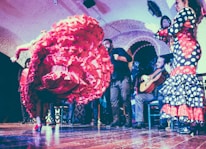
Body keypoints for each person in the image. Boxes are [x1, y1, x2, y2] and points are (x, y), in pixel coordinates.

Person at [11, 15, 113, 132]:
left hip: (48, 78)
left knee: (45, 101)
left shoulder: (51, 46)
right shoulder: (33, 46)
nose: (43, 35)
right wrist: (15, 56)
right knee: (39, 99)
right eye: (41, 35)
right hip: (37, 77)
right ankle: (40, 121)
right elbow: (19, 48)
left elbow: (62, 53)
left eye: (45, 34)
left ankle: (42, 119)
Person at [155, 0, 205, 135]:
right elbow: (175, 33)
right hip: (184, 49)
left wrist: (159, 32)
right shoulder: (186, 13)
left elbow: (173, 30)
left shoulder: (186, 11)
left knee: (183, 83)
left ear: (185, 1)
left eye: (177, 2)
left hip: (186, 50)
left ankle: (187, 122)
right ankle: (187, 121)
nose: (176, 5)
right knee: (182, 83)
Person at [103, 38, 132, 127]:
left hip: (123, 78)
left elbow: (129, 58)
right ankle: (116, 120)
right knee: (113, 100)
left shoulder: (118, 50)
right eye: (103, 45)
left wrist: (119, 58)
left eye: (107, 44)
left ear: (111, 44)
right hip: (113, 80)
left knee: (125, 98)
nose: (105, 46)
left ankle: (128, 121)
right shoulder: (105, 56)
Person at [133, 56, 169, 129]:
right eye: (157, 61)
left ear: (164, 64)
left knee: (161, 98)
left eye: (159, 62)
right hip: (151, 94)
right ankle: (140, 122)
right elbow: (143, 77)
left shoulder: (166, 73)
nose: (156, 63)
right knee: (138, 97)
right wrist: (143, 77)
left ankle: (163, 122)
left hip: (160, 94)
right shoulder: (154, 70)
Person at [18, 58, 32, 124]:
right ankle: (24, 118)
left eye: (30, 63)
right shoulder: (21, 70)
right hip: (22, 89)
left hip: (30, 90)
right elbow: (19, 79)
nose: (28, 64)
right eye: (27, 62)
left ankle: (30, 118)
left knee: (30, 104)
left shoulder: (32, 71)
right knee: (23, 104)